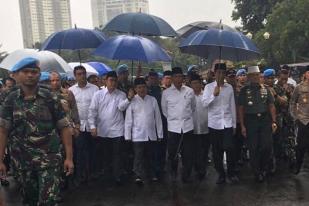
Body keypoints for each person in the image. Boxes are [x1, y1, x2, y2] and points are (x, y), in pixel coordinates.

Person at [0, 57, 74, 205]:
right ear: (17, 75)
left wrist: (69, 158)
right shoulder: (11, 99)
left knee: (49, 201)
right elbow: (3, 130)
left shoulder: (50, 97)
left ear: (39, 75)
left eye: (34, 72)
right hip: (22, 162)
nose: (30, 75)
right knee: (29, 200)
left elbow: (64, 128)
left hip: (49, 159)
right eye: (25, 71)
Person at [88, 71, 131, 185]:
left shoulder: (121, 94)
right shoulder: (98, 94)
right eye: (111, 80)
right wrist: (92, 126)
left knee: (117, 154)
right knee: (105, 155)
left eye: (115, 80)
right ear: (105, 81)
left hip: (117, 130)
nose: (113, 83)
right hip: (103, 130)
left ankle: (117, 176)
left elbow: (121, 108)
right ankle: (106, 175)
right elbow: (92, 111)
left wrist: (129, 99)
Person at [238, 66, 277, 183]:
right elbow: (240, 108)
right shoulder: (244, 91)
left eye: (257, 75)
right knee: (253, 148)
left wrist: (274, 121)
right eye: (253, 75)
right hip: (251, 121)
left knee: (267, 146)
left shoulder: (266, 89)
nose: (256, 77)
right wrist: (242, 125)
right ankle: (257, 172)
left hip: (265, 120)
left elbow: (271, 106)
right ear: (249, 77)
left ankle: (263, 166)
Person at [203, 63, 237, 184]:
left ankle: (231, 173)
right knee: (217, 152)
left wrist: (234, 125)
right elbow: (204, 104)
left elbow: (232, 106)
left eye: (223, 73)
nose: (221, 75)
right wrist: (214, 95)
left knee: (230, 149)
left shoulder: (229, 88)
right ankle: (221, 174)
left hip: (227, 123)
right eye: (218, 72)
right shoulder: (208, 87)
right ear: (214, 73)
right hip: (214, 125)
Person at [125, 77, 163, 184]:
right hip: (137, 134)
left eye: (143, 87)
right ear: (135, 89)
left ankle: (152, 174)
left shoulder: (152, 100)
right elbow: (128, 120)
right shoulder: (132, 101)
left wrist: (159, 133)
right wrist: (127, 136)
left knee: (151, 156)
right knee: (138, 156)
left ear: (147, 88)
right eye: (139, 87)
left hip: (151, 134)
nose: (142, 89)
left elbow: (158, 118)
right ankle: (138, 175)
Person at [161, 67, 196, 183]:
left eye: (180, 76)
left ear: (183, 77)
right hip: (173, 128)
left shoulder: (189, 91)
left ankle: (186, 174)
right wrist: (174, 119)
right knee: (172, 153)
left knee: (188, 153)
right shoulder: (166, 93)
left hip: (187, 127)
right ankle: (173, 172)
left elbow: (193, 107)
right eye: (175, 76)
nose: (178, 79)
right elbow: (165, 111)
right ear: (172, 78)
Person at [69, 66, 99, 186]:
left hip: (92, 126)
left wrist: (95, 125)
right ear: (75, 76)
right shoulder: (71, 90)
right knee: (80, 151)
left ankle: (91, 174)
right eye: (78, 74)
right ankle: (80, 176)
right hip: (78, 126)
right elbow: (70, 109)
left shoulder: (95, 89)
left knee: (92, 151)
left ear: (86, 74)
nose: (81, 76)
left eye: (83, 73)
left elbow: (98, 108)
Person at [190, 73, 210, 181]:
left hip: (205, 127)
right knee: (195, 150)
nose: (195, 85)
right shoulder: (189, 96)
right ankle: (198, 169)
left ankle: (202, 168)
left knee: (205, 149)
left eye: (197, 83)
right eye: (193, 83)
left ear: (201, 84)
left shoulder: (206, 95)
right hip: (193, 128)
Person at [290, 66, 309, 174]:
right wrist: (295, 116)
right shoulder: (299, 87)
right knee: (301, 146)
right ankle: (298, 165)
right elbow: (292, 102)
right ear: (305, 74)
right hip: (303, 119)